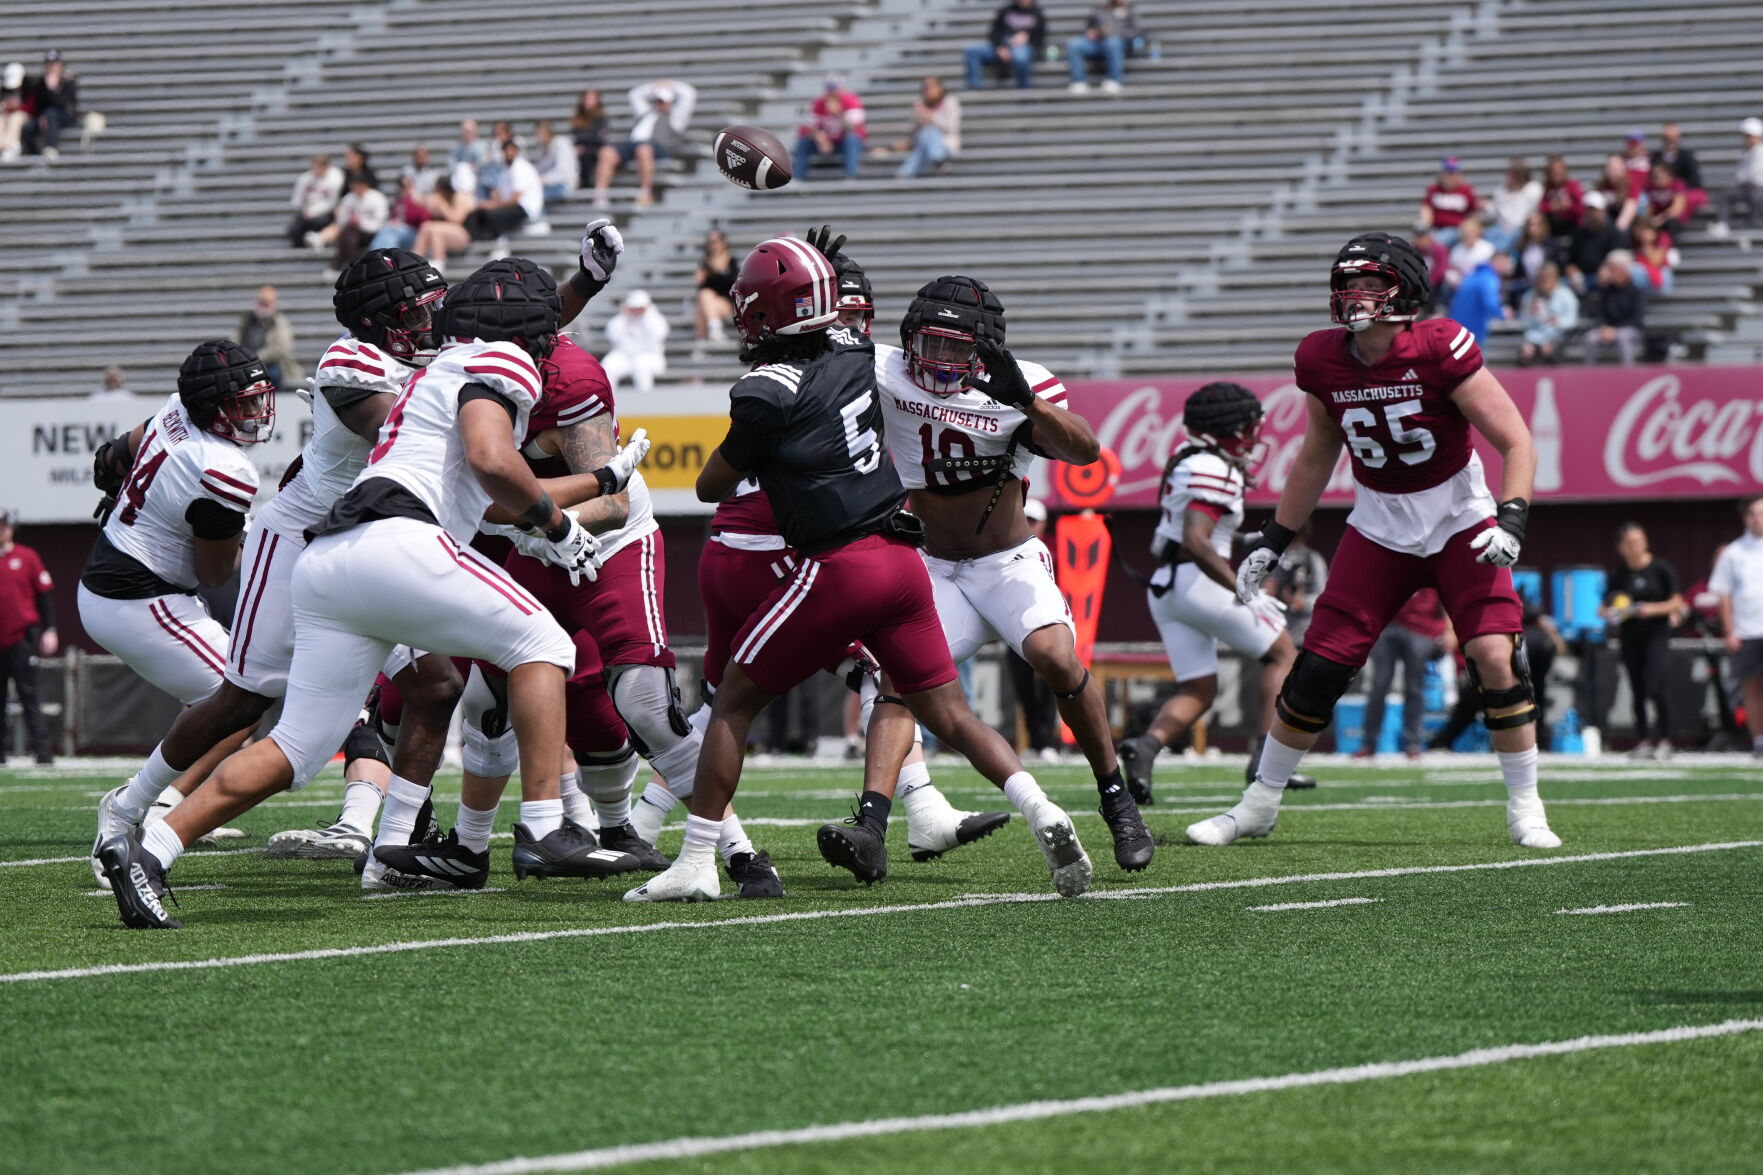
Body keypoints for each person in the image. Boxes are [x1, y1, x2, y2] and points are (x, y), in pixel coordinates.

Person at [97, 260, 650, 929]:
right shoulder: (478, 362)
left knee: (301, 747)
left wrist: (601, 478)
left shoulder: (441, 370)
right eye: (417, 309)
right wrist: (559, 523)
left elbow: (490, 489)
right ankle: (543, 826)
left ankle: (153, 851)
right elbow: (490, 458)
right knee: (543, 644)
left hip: (337, 557)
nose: (429, 318)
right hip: (372, 538)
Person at [627, 236, 1093, 902]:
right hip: (905, 560)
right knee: (952, 713)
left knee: (731, 699)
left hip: (839, 565)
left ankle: (697, 858)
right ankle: (1042, 808)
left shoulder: (767, 387)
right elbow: (838, 330)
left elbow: (709, 485)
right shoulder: (855, 350)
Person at [92, 254, 464, 880]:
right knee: (241, 702)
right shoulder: (353, 362)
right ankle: (126, 810)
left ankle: (393, 850)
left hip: (378, 540)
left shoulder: (421, 360)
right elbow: (408, 437)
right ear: (380, 321)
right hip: (302, 539)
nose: (434, 322)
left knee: (436, 685)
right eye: (418, 312)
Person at [1194, 231, 1561, 850]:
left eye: (1370, 284)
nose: (1355, 296)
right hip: (1380, 525)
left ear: (1406, 291)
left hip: (1458, 517)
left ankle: (1527, 807)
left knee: (1497, 657)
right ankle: (1257, 804)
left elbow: (1518, 440)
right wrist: (1274, 539)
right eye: (1348, 284)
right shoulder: (1321, 358)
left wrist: (1512, 519)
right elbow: (1316, 455)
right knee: (1318, 667)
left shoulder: (1441, 347)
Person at [854, 260, 1151, 875]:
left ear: (984, 351)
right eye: (927, 342)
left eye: (952, 347)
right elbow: (823, 348)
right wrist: (831, 284)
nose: (935, 358)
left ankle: (1117, 800)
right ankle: (872, 826)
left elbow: (1087, 451)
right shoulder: (883, 368)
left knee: (1057, 659)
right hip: (933, 564)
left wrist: (1028, 403)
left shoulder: (1020, 384)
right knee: (898, 681)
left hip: (1005, 561)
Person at [1116, 383, 1316, 805]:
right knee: (1283, 655)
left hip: (1168, 587)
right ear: (1220, 429)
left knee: (1199, 688)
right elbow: (1197, 539)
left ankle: (1145, 746)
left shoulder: (1190, 460)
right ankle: (1266, 763)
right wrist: (1245, 588)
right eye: (1244, 428)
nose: (1252, 437)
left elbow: (1200, 533)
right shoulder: (1212, 467)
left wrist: (1241, 539)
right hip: (1198, 581)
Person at [1601, 523, 1683, 759]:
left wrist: (1653, 609)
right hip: (1630, 634)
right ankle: (1643, 740)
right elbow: (1608, 603)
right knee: (1636, 687)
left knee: (1655, 684)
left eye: (1640, 541)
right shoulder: (1620, 573)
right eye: (1630, 543)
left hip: (1657, 633)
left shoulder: (1661, 569)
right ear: (1621, 547)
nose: (1636, 547)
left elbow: (1678, 601)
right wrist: (1610, 612)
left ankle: (1665, 739)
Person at [1356, 589, 1447, 760]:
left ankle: (1412, 743)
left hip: (1422, 627)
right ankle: (1368, 743)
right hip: (1388, 624)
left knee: (1414, 688)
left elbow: (1447, 594)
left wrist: (1449, 629)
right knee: (1378, 685)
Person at [0, 509, 58, 764]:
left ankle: (43, 752)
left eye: (3, 526)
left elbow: (44, 597)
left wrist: (50, 629)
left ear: (11, 528)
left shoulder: (27, 557)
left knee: (29, 694)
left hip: (22, 638)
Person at [1007, 499, 1062, 759]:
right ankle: (1034, 741)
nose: (1028, 525)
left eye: (1033, 520)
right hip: (1016, 625)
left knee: (1052, 684)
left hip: (1048, 625)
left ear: (1043, 523)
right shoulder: (1005, 546)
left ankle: (1048, 742)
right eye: (1025, 519)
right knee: (1024, 687)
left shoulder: (1055, 551)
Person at [1711, 496, 1763, 759]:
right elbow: (1723, 595)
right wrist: (1730, 631)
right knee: (1751, 689)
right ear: (1746, 518)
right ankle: (1759, 742)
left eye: (1762, 513)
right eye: (1754, 513)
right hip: (1747, 631)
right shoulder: (1734, 552)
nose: (1758, 518)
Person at [592, 79, 697, 208]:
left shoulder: (676, 117)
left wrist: (672, 84)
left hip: (658, 147)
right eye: (657, 100)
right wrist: (654, 86)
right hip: (634, 144)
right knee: (607, 152)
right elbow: (634, 94)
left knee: (643, 149)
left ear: (670, 102)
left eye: (662, 101)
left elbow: (689, 94)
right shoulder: (646, 113)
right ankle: (600, 195)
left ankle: (645, 192)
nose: (659, 104)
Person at [312, 171, 389, 274]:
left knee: (349, 235)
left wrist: (361, 223)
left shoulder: (377, 199)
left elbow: (380, 223)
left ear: (365, 185)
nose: (356, 189)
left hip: (370, 233)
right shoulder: (349, 199)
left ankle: (338, 265)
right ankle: (352, 265)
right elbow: (341, 220)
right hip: (351, 232)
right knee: (350, 235)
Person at [466, 138, 543, 240]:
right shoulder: (505, 170)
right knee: (476, 215)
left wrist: (493, 205)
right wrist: (487, 204)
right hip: (511, 206)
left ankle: (499, 242)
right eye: (506, 150)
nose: (508, 153)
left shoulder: (521, 168)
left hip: (525, 208)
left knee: (493, 215)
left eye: (511, 150)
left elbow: (515, 199)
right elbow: (500, 196)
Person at [1267, 520, 1327, 649]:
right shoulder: (1272, 559)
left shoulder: (1312, 559)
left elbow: (1321, 597)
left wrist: (1302, 601)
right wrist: (1267, 592)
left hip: (1302, 633)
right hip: (1275, 632)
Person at [791, 79, 866, 181]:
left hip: (842, 143)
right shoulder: (819, 102)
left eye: (835, 89)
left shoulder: (851, 101)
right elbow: (809, 128)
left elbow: (853, 129)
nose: (832, 93)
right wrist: (821, 140)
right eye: (830, 89)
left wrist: (838, 114)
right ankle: (798, 178)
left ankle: (850, 177)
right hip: (825, 143)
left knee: (851, 140)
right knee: (804, 142)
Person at [964, 0, 1047, 90]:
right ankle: (975, 87)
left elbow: (1040, 38)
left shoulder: (1038, 14)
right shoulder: (1005, 11)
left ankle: (1024, 89)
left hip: (1023, 48)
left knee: (1020, 57)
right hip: (1001, 47)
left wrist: (1028, 37)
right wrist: (999, 47)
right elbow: (994, 33)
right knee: (972, 51)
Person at [601, 289, 669, 395]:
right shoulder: (622, 318)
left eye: (639, 307)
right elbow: (611, 335)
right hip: (624, 356)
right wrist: (623, 316)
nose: (636, 309)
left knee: (641, 365)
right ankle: (608, 402)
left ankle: (645, 403)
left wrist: (647, 315)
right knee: (607, 366)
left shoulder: (655, 318)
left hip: (650, 356)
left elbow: (658, 335)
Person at [1585, 250, 1646, 366]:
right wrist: (1603, 327)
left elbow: (1636, 319)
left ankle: (1628, 373)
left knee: (1623, 337)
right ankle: (1589, 374)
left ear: (1624, 271)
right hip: (1608, 330)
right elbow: (1600, 314)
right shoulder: (1606, 291)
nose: (1610, 273)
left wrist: (1615, 330)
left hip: (1630, 330)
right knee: (1590, 338)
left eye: (1613, 270)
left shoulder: (1636, 291)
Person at [1066, 1, 1140, 93]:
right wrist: (1091, 33)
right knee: (1074, 44)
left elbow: (1134, 33)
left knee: (1113, 42)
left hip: (1117, 45)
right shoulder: (1099, 10)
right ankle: (1079, 81)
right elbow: (1086, 28)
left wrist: (1113, 33)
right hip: (1097, 43)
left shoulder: (1130, 11)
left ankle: (1114, 79)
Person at [236, 285, 301, 390]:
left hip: (272, 365)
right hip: (248, 363)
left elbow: (281, 348)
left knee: (273, 373)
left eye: (266, 304)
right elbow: (236, 339)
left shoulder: (279, 322)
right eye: (261, 303)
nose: (262, 308)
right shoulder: (248, 320)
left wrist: (255, 358)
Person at [896, 77, 961, 179]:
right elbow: (914, 131)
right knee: (926, 133)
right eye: (925, 88)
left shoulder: (950, 102)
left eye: (931, 87)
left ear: (940, 88)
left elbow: (951, 128)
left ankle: (906, 172)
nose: (928, 91)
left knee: (929, 131)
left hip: (945, 143)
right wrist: (917, 118)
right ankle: (939, 162)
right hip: (924, 144)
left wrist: (931, 117)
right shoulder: (920, 104)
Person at [1711, 118, 1763, 239]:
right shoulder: (1745, 152)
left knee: (1756, 197)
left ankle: (1751, 229)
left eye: (1749, 136)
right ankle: (1722, 224)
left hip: (1759, 189)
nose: (1747, 139)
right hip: (1746, 188)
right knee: (1725, 194)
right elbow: (1742, 175)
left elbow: (1753, 176)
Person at [1518, 261, 1578, 365]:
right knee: (1525, 352)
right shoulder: (1529, 296)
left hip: (1558, 335)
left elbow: (1572, 321)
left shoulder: (1566, 295)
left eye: (1546, 279)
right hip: (1534, 336)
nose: (1543, 283)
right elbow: (1524, 323)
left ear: (1555, 279)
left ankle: (1557, 380)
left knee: (1549, 351)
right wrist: (1531, 314)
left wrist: (1557, 322)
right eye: (1540, 279)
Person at [411, 176, 474, 273]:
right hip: (446, 233)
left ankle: (438, 262)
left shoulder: (460, 197)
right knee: (426, 226)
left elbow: (456, 219)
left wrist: (441, 203)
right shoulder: (440, 199)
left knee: (435, 229)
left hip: (464, 235)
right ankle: (414, 261)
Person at [22, 50, 77, 160]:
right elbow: (38, 103)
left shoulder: (67, 81)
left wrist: (52, 89)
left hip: (65, 116)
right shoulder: (41, 83)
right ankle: (34, 155)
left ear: (60, 65)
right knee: (27, 128)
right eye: (49, 64)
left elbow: (64, 104)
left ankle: (51, 147)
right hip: (45, 116)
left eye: (54, 64)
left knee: (51, 113)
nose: (51, 67)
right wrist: (40, 117)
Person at [1564, 191, 1623, 295]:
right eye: (1588, 210)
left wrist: (1607, 268)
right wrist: (1572, 270)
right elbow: (1571, 260)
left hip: (1605, 278)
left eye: (1594, 210)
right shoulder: (1578, 233)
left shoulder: (1613, 233)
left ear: (1603, 211)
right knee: (1561, 284)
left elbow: (1618, 258)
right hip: (1582, 278)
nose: (1591, 214)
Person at [1448, 252, 1507, 344]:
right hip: (1474, 329)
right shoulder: (1489, 278)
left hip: (1457, 328)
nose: (1507, 266)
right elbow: (1490, 303)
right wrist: (1503, 313)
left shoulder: (1471, 275)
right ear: (1498, 261)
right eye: (1506, 262)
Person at [287, 153, 344, 248]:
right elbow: (297, 200)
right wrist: (304, 210)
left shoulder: (335, 178)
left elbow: (331, 203)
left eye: (319, 168)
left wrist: (314, 212)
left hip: (324, 213)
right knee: (294, 230)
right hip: (306, 213)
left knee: (318, 223)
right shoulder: (305, 179)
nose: (316, 171)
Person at [1485, 158, 1542, 252]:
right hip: (1500, 228)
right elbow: (1494, 213)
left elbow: (1531, 212)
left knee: (1509, 240)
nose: (1509, 178)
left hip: (1520, 227)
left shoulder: (1532, 189)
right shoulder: (1501, 191)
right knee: (1487, 236)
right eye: (1509, 174)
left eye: (1513, 175)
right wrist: (1485, 206)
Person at [1418, 157, 1477, 246]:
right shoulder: (1434, 189)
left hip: (1458, 230)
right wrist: (1424, 226)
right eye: (1448, 172)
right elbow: (1427, 209)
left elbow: (1472, 212)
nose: (1450, 176)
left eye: (1453, 172)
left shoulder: (1466, 190)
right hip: (1436, 228)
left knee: (1441, 239)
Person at [694, 227, 737, 345]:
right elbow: (703, 288)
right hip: (711, 304)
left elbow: (732, 285)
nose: (713, 245)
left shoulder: (731, 261)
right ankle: (715, 330)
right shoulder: (704, 262)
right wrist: (700, 280)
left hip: (727, 304)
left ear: (723, 242)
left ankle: (701, 344)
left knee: (704, 303)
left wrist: (715, 274)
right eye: (710, 242)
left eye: (715, 241)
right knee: (705, 297)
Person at [1652, 122, 1705, 216]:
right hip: (1662, 194)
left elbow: (1694, 180)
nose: (1670, 141)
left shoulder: (1687, 156)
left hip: (1681, 193)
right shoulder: (1655, 157)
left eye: (1673, 138)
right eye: (1667, 138)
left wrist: (1676, 188)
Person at [569, 88, 608, 188]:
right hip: (581, 149)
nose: (588, 101)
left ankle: (584, 185)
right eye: (586, 98)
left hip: (596, 149)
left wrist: (584, 141)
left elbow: (598, 138)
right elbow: (576, 137)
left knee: (585, 156)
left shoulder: (601, 118)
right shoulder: (577, 118)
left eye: (591, 99)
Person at [531, 119, 577, 202]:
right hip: (550, 186)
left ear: (549, 133)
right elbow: (539, 170)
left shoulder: (561, 144)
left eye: (541, 133)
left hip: (564, 185)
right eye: (537, 133)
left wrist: (544, 180)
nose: (539, 136)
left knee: (534, 196)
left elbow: (562, 173)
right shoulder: (543, 149)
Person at [1639, 159, 1688, 236]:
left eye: (1660, 172)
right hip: (1654, 219)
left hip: (1671, 219)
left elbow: (1677, 209)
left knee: (1671, 221)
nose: (1658, 175)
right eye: (1654, 173)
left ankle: (1672, 246)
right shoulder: (1648, 187)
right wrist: (1649, 219)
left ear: (1668, 173)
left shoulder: (1677, 184)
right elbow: (1647, 207)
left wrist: (1661, 219)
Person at [1541, 155, 1584, 242]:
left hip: (1572, 228)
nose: (1556, 173)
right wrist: (1553, 207)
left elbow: (1581, 208)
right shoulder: (1545, 188)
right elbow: (1541, 207)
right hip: (1551, 230)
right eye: (1552, 170)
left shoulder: (1573, 186)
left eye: (1559, 169)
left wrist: (1570, 206)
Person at [1630, 221, 1678, 296]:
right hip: (1646, 280)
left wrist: (1647, 243)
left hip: (1662, 276)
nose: (1644, 235)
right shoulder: (1635, 241)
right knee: (1635, 270)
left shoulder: (1663, 237)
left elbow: (1655, 262)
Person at [0, 62, 27, 163]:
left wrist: (18, 106)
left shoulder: (28, 87)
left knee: (16, 118)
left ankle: (10, 146)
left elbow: (33, 106)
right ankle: (2, 146)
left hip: (23, 115)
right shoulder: (4, 89)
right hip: (7, 114)